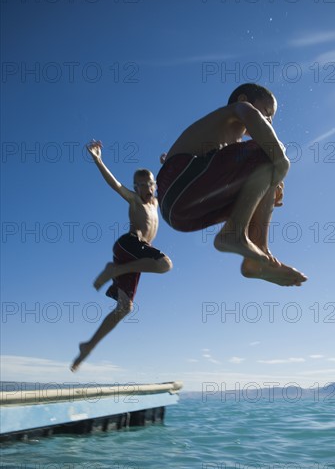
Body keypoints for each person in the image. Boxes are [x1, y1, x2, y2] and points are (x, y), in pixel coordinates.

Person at [157, 83, 307, 287]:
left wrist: (267, 191)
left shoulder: (228, 147)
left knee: (267, 175)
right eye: (268, 111)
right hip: (178, 183)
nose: (270, 120)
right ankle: (234, 234)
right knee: (270, 152)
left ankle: (257, 254)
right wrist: (282, 160)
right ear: (244, 99)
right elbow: (251, 115)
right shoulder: (236, 111)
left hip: (183, 215)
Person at [71, 141, 172, 371]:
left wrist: (167, 164)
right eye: (142, 185)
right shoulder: (135, 200)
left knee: (124, 308)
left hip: (136, 258)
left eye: (150, 185)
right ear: (135, 188)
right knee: (165, 264)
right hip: (128, 245)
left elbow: (170, 184)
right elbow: (115, 185)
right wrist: (98, 160)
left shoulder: (156, 202)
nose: (147, 189)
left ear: (154, 186)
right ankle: (113, 270)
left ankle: (87, 347)